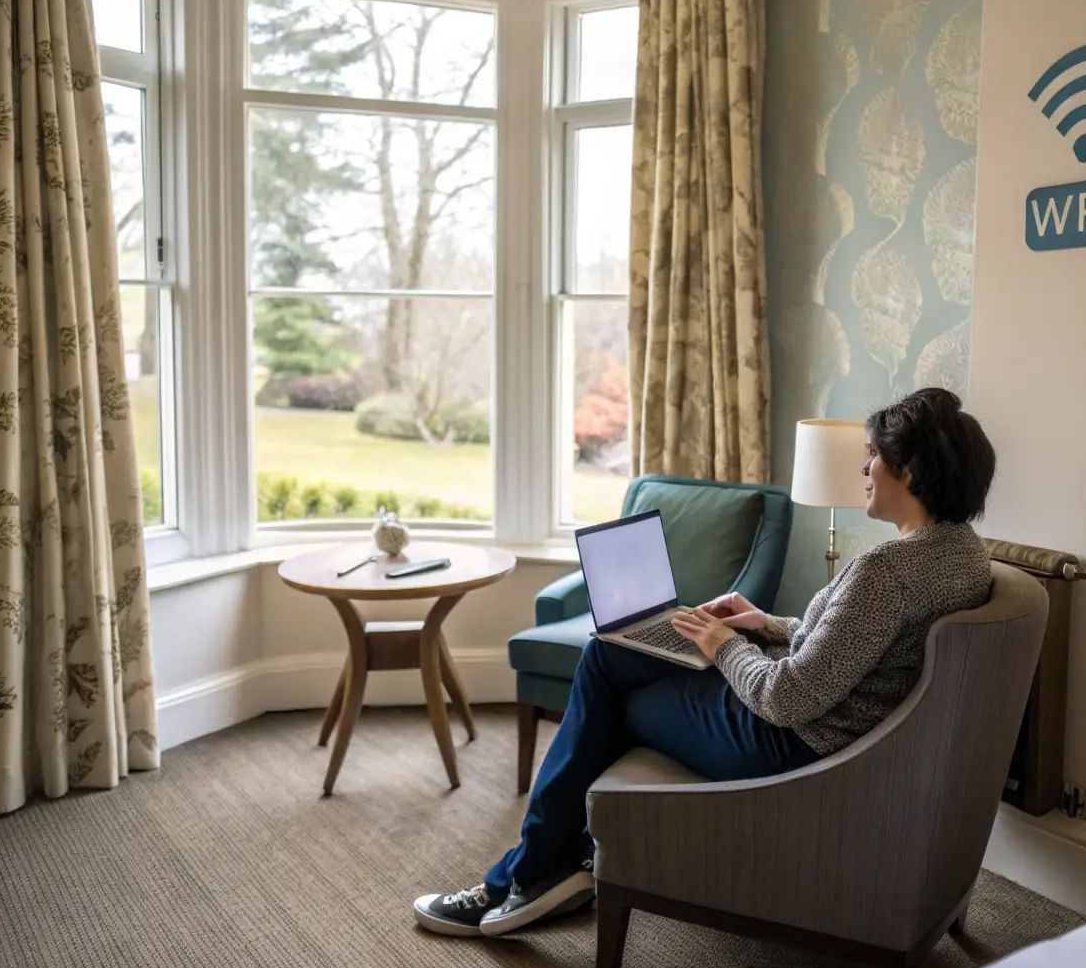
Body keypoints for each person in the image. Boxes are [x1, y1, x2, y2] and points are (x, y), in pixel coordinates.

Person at [413, 387, 997, 938]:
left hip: (792, 744)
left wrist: (722, 645)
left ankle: (526, 875)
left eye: (873, 458)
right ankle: (558, 863)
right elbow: (853, 651)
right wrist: (763, 623)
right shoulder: (962, 555)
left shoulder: (887, 572)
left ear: (911, 472)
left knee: (609, 675)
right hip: (837, 733)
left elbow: (788, 697)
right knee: (614, 658)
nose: (864, 470)